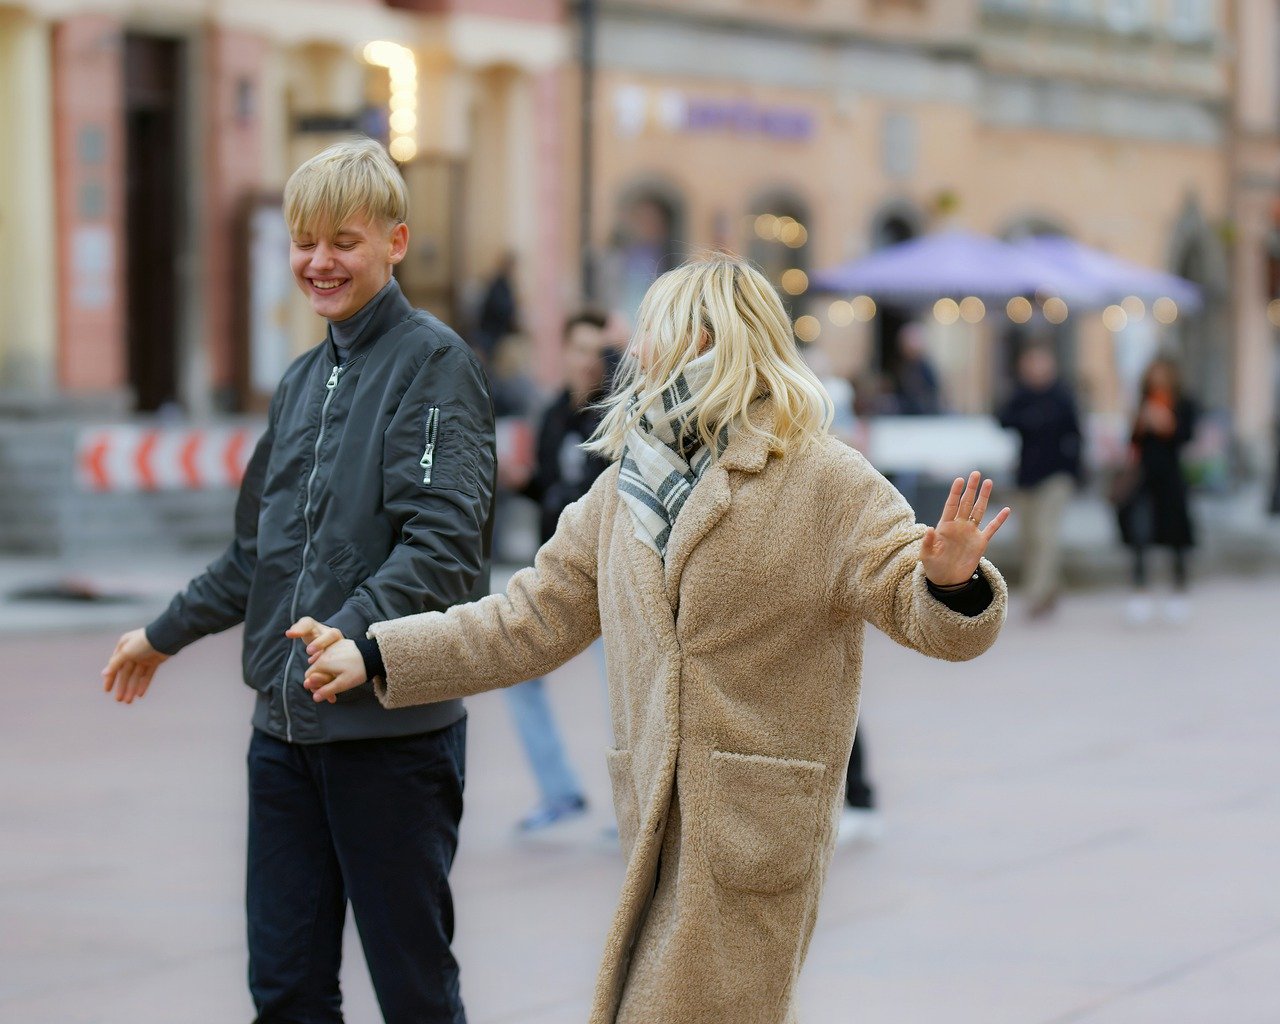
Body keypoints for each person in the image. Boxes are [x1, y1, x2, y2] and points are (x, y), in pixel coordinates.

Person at [296, 256, 1010, 1024]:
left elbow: (922, 611)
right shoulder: (623, 488)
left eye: (648, 333)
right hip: (655, 826)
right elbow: (524, 620)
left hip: (753, 834)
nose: (631, 353)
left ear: (703, 339)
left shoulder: (823, 479)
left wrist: (949, 582)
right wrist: (375, 652)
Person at [100, 138, 495, 1024]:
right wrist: (161, 635)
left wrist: (351, 633)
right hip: (282, 738)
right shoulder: (301, 381)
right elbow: (257, 555)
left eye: (343, 242)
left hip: (389, 740)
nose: (319, 262)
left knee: (414, 993)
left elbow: (443, 544)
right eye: (304, 241)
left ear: (395, 242)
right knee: (284, 989)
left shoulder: (435, 368)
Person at [500, 310, 613, 831]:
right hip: (557, 577)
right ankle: (559, 791)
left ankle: (638, 809)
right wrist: (517, 481)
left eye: (597, 350)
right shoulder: (550, 414)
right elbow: (551, 489)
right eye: (579, 348)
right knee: (518, 677)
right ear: (564, 351)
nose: (587, 360)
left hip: (608, 577)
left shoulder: (618, 413)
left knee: (624, 689)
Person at [997, 344, 1083, 618]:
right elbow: (1002, 418)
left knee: (1045, 536)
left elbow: (1076, 434)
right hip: (1027, 476)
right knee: (1028, 538)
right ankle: (1050, 587)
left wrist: (1074, 471)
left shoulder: (1062, 395)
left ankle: (1036, 594)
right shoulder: (1021, 395)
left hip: (1056, 476)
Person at [1119, 356, 1197, 624]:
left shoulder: (1183, 404)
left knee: (1176, 536)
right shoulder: (1143, 403)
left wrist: (1167, 423)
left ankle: (1179, 590)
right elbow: (1132, 441)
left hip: (1172, 479)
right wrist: (1142, 422)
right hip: (1144, 478)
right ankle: (1140, 591)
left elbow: (1185, 436)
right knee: (1140, 533)